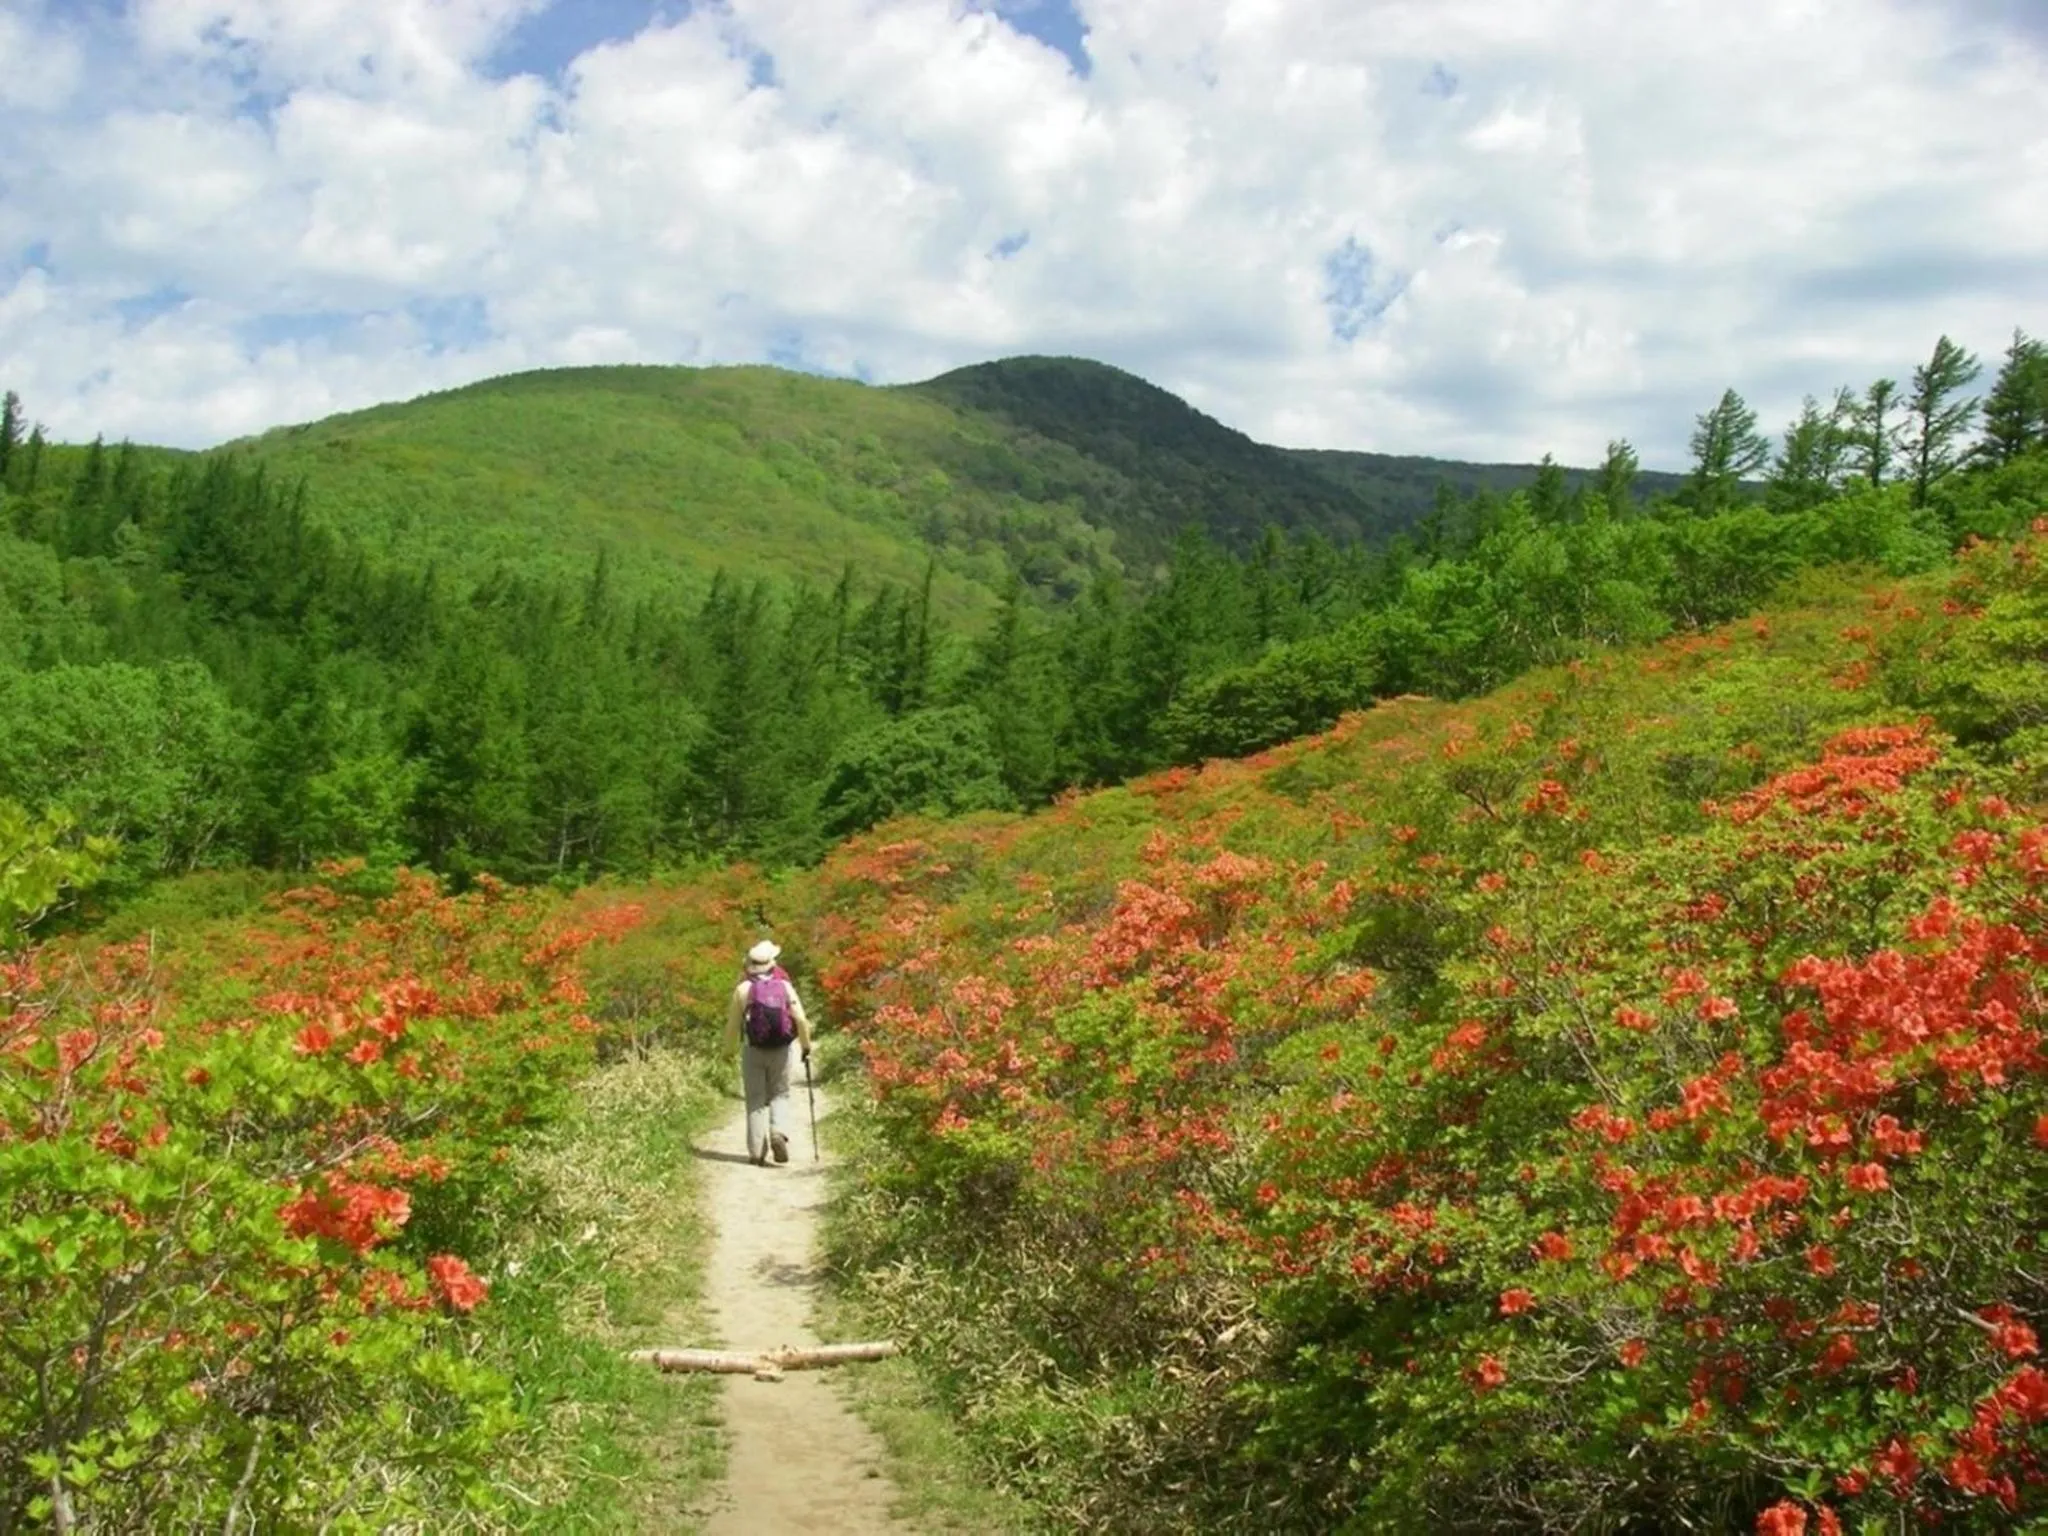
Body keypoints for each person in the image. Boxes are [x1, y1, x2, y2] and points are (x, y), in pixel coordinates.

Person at [727, 939, 814, 1166]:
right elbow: (801, 1020)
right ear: (771, 963)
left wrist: (728, 1052)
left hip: (753, 1050)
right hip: (781, 1050)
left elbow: (733, 1026)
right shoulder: (784, 986)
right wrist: (806, 1046)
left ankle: (756, 1152)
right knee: (780, 1094)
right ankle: (778, 1131)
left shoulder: (742, 989)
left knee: (755, 1099)